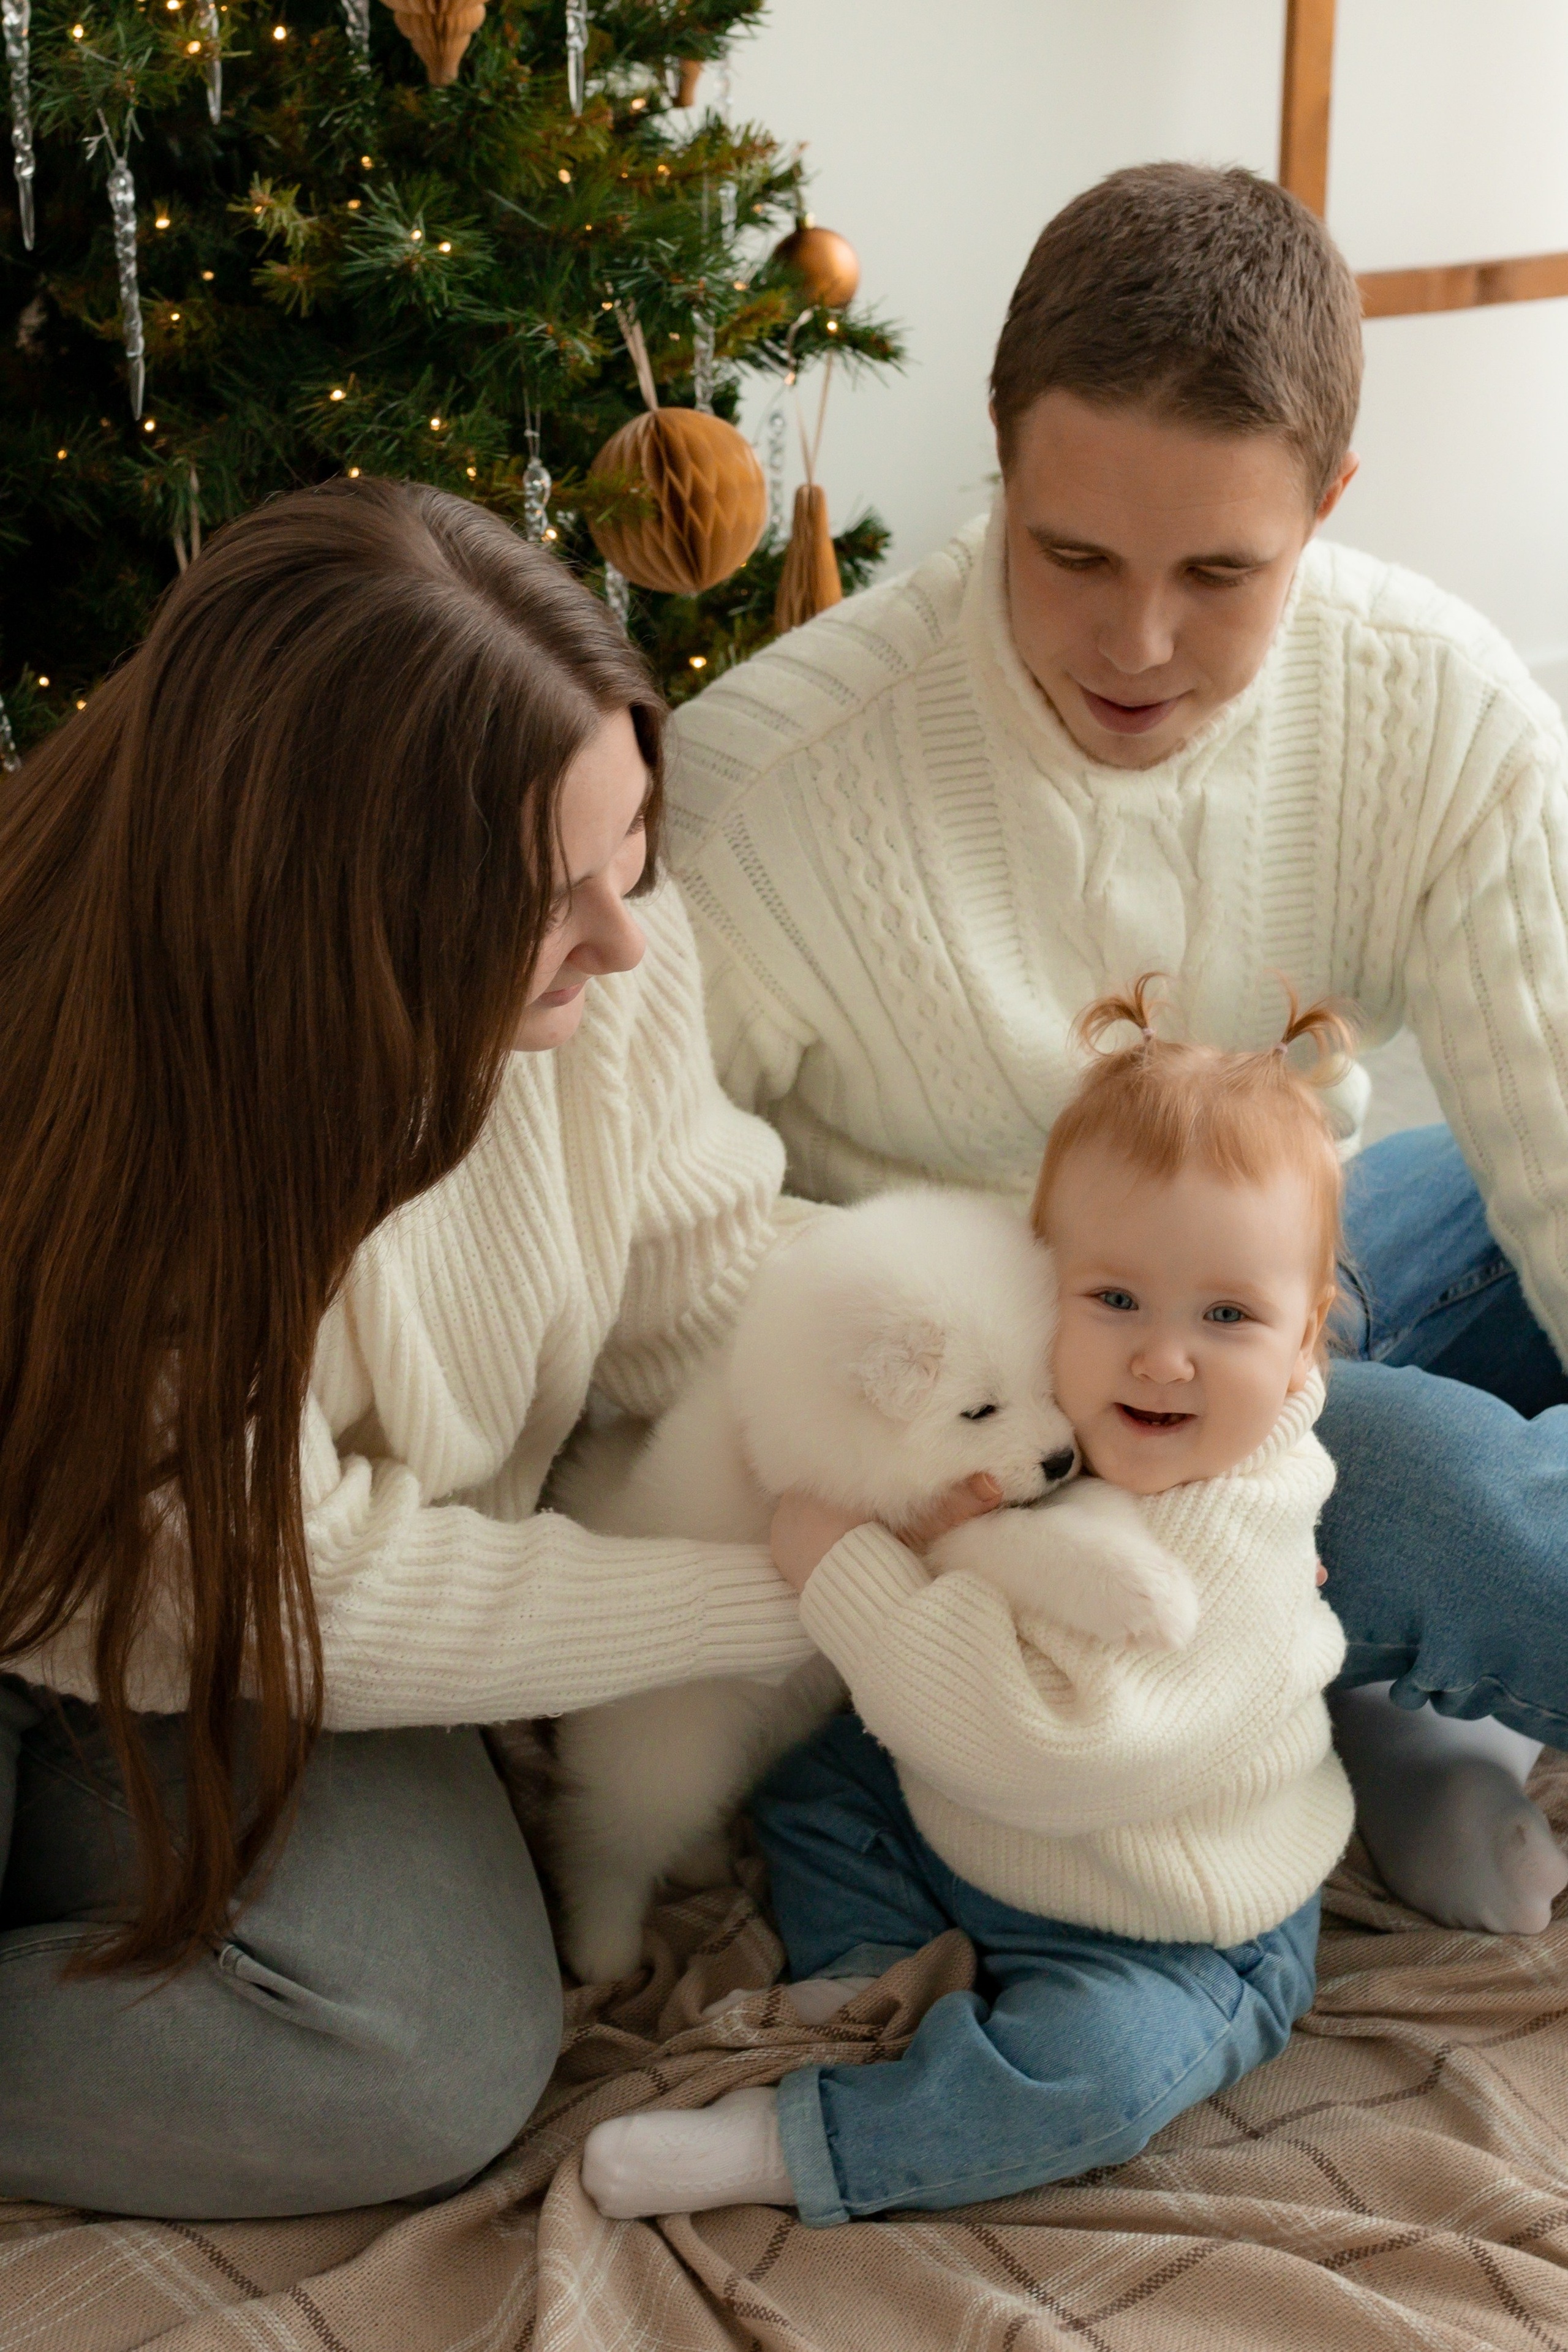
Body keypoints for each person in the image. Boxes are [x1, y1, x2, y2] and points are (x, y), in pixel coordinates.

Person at [665, 160, 1568, 1936]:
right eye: (1071, 554)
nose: (1138, 644)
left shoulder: (1437, 707)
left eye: (1222, 573)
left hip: (1283, 1295)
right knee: (1460, 1502)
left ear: (1331, 504)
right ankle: (1367, 1667)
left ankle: (1363, 1687)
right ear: (998, 468)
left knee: (1475, 1183)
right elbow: (650, 1258)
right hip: (1043, 1459)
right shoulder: (771, 788)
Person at [0, 477, 844, 2218]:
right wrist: (786, 1587)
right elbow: (302, 1583)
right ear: (341, 911)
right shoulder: (119, 1098)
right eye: (558, 897)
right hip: (120, 1577)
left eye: (634, 858)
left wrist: (1016, 1344)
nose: (622, 937)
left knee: (427, 2052)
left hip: (235, 1637)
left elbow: (704, 1287)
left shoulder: (606, 958)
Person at [581, 982, 1357, 2223]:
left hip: (1169, 1918)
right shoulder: (1089, 1414)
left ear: (1305, 1339)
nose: (1162, 1355)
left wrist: (845, 1569)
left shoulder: (1226, 1549)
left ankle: (805, 2145)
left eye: (1225, 1315)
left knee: (1096, 2078)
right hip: (976, 1832)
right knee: (814, 1786)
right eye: (1111, 1301)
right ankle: (874, 1963)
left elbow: (1041, 1749)